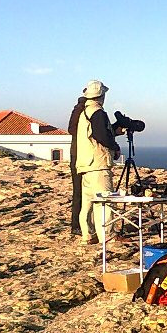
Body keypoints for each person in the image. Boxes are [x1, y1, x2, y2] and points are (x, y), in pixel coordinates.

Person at [75, 80, 122, 245]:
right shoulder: (98, 112)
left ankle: (88, 234)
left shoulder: (84, 112)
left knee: (88, 203)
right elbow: (101, 136)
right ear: (102, 95)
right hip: (98, 164)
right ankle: (107, 236)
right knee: (104, 202)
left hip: (86, 164)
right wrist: (114, 145)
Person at [67, 93, 87, 235]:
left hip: (79, 154)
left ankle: (78, 225)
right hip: (80, 155)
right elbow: (73, 130)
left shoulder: (80, 110)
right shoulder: (82, 111)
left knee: (78, 192)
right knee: (79, 192)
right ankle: (77, 225)